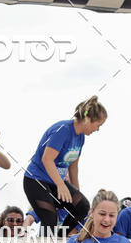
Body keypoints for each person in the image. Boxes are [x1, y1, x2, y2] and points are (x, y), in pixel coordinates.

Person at [23, 95, 106, 235]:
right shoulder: (63, 130)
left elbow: (73, 167)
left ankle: (60, 239)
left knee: (82, 207)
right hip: (36, 181)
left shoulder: (80, 137)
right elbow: (47, 159)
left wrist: (76, 192)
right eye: (98, 125)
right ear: (87, 119)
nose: (97, 129)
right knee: (50, 218)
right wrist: (61, 185)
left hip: (55, 183)